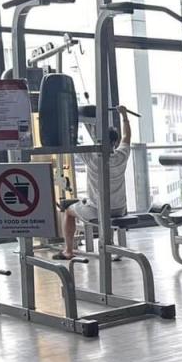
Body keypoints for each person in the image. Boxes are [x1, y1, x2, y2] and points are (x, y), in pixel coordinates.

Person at [55, 105, 133, 260]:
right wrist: (124, 115)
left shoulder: (91, 157)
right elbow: (127, 136)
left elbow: (71, 143)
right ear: (115, 142)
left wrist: (71, 120)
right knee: (95, 202)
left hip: (98, 211)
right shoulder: (122, 155)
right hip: (120, 209)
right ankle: (110, 243)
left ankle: (68, 251)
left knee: (68, 212)